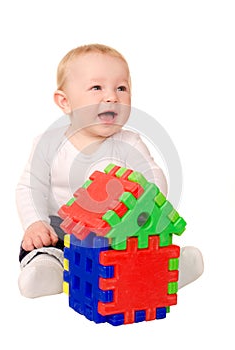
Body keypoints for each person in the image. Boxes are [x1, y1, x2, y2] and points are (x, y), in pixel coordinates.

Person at [16, 43, 203, 298]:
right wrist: (35, 223)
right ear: (65, 101)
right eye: (96, 88)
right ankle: (49, 271)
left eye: (122, 88)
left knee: (139, 251)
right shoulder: (48, 143)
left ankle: (169, 270)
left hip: (117, 232)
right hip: (61, 229)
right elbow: (30, 186)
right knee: (43, 249)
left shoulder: (129, 143)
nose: (112, 97)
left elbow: (152, 174)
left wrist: (146, 203)